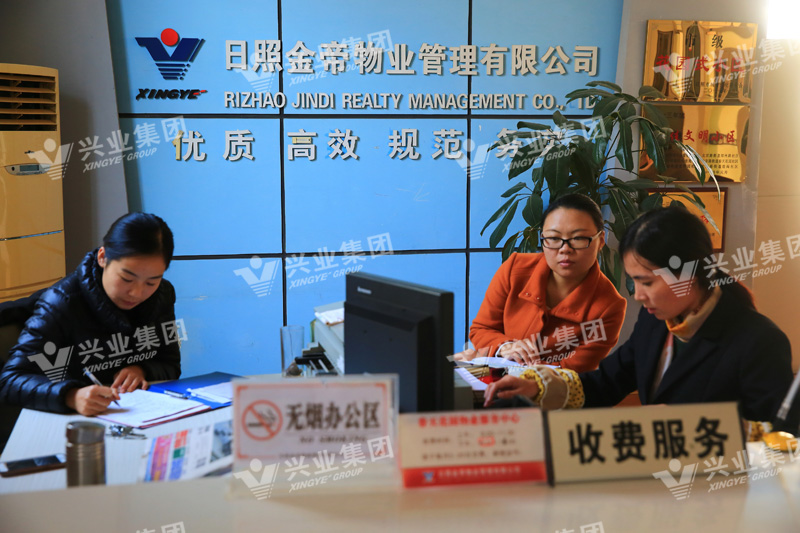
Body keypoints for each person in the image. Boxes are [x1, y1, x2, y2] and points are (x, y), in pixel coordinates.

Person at [484, 205, 794, 432]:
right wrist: (537, 387)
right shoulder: (656, 322)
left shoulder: (758, 341)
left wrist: (684, 425)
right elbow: (605, 383)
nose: (638, 296)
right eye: (634, 282)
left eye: (646, 282)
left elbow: (780, 436)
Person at [0, 212, 181, 416]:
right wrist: (71, 396)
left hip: (132, 414)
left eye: (151, 282)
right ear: (103, 257)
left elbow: (170, 364)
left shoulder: (162, 295)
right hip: (72, 419)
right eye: (127, 279)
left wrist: (142, 370)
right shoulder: (62, 302)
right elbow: (10, 380)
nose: (137, 293)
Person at [460, 193, 627, 372]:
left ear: (600, 241)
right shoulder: (514, 269)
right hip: (492, 380)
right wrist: (505, 346)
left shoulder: (609, 307)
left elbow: (574, 371)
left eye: (578, 238)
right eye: (554, 238)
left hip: (553, 388)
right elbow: (482, 329)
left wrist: (527, 368)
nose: (565, 249)